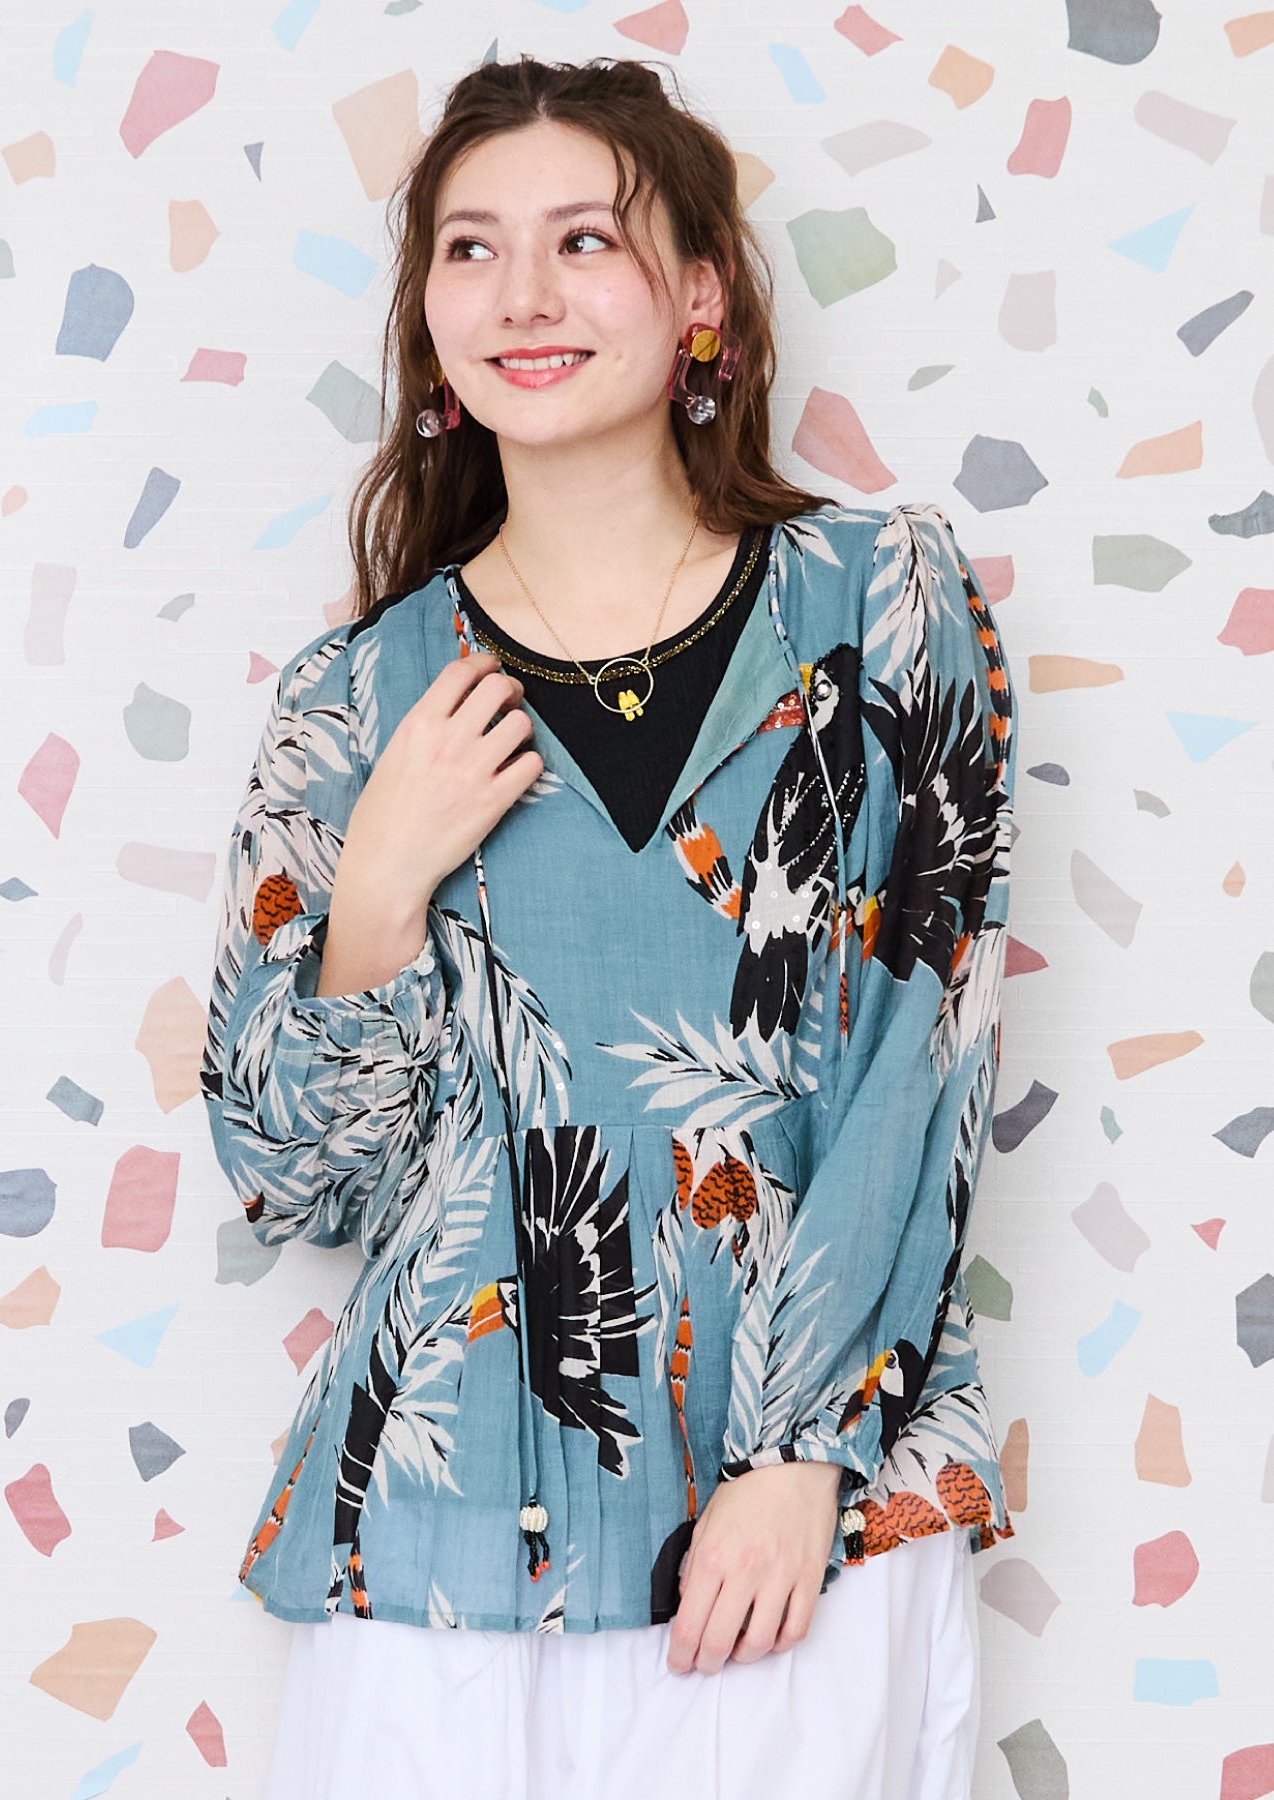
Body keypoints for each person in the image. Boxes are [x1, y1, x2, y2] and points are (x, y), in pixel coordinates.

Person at [201, 53, 1018, 1800]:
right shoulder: (355, 701)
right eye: (472, 249)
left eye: (585, 239)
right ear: (431, 317)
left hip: (800, 1526)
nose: (525, 295)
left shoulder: (883, 604)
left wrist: (802, 1452)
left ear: (700, 293)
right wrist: (377, 886)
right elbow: (292, 1177)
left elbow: (924, 1054)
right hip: (440, 1543)